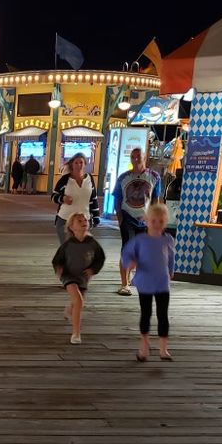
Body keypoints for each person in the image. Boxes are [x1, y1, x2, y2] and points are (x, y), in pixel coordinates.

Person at [121, 202, 175, 362]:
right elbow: (126, 254)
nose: (157, 224)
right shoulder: (140, 240)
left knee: (162, 314)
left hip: (162, 282)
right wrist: (130, 263)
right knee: (146, 314)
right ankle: (144, 346)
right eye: (154, 221)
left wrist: (171, 271)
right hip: (145, 282)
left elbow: (171, 257)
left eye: (161, 221)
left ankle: (163, 348)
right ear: (146, 220)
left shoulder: (168, 240)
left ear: (165, 222)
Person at [52, 212, 106, 345]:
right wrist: (59, 269)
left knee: (77, 301)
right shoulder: (68, 244)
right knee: (79, 301)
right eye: (79, 221)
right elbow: (57, 260)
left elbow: (100, 258)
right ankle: (76, 333)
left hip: (83, 277)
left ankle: (70, 309)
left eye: (85, 221)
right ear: (71, 227)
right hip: (68, 275)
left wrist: (93, 269)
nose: (84, 223)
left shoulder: (92, 243)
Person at [114, 147, 160, 295]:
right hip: (128, 216)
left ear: (144, 157)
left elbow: (155, 200)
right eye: (133, 156)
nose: (135, 159)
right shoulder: (123, 177)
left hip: (145, 219)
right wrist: (120, 217)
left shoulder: (154, 176)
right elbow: (118, 198)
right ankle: (124, 283)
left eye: (138, 156)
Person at [51, 153, 100, 243]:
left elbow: (93, 198)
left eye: (81, 163)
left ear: (85, 164)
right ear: (72, 164)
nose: (79, 165)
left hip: (83, 221)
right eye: (76, 163)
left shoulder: (90, 179)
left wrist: (96, 216)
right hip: (65, 220)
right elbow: (54, 196)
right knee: (67, 249)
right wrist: (63, 199)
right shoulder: (65, 179)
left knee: (81, 249)